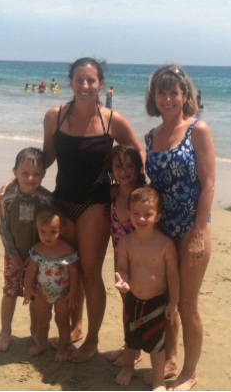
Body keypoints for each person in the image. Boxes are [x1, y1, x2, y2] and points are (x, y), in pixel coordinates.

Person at [41, 57, 143, 362]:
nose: (84, 85)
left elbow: (138, 154)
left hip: (95, 205)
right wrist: (18, 180)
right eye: (79, 79)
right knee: (69, 268)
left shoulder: (112, 120)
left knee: (89, 272)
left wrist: (132, 192)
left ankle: (93, 340)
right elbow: (46, 157)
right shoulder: (55, 117)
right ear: (70, 82)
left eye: (91, 80)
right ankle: (76, 326)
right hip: (62, 200)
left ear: (101, 84)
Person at [144, 63, 215, 390]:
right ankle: (170, 358)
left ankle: (190, 372)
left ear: (185, 95)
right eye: (162, 92)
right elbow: (152, 186)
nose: (168, 99)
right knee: (165, 301)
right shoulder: (150, 136)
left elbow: (209, 184)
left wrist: (199, 232)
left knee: (186, 305)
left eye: (174, 92)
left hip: (191, 227)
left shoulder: (198, 130)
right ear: (154, 97)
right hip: (162, 231)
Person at [114, 187, 180, 391]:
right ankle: (128, 368)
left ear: (158, 216)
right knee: (130, 339)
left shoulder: (165, 244)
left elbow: (172, 275)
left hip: (157, 302)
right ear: (129, 214)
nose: (141, 218)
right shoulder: (126, 242)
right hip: (133, 300)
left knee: (157, 344)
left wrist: (173, 302)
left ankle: (159, 379)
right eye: (136, 213)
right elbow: (122, 268)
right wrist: (122, 281)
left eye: (147, 214)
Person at [0, 147, 53, 353]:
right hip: (13, 255)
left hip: (38, 258)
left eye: (36, 174)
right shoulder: (8, 198)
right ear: (15, 173)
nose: (30, 178)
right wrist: (11, 253)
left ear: (43, 175)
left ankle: (34, 330)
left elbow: (50, 229)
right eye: (25, 173)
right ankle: (5, 331)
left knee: (35, 294)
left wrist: (36, 255)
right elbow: (3, 227)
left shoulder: (47, 200)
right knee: (10, 291)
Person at [103, 145, 147, 367]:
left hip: (142, 261)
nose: (124, 171)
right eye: (118, 167)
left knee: (140, 305)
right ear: (111, 170)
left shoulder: (143, 195)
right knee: (127, 304)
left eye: (130, 166)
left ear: (138, 167)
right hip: (120, 260)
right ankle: (130, 345)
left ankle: (136, 350)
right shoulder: (113, 193)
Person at [23, 205, 80, 361]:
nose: (47, 236)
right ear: (37, 230)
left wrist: (73, 293)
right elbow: (31, 269)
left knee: (62, 322)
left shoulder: (67, 250)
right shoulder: (38, 249)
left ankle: (62, 350)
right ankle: (42, 344)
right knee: (42, 320)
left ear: (61, 231)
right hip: (42, 292)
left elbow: (75, 272)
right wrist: (27, 287)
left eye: (52, 232)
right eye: (43, 232)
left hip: (63, 294)